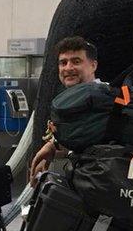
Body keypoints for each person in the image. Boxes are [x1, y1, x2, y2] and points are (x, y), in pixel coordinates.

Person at [28, 36, 99, 184]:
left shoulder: (102, 100)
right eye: (63, 63)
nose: (68, 68)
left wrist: (53, 146)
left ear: (93, 66)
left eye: (76, 61)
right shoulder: (70, 102)